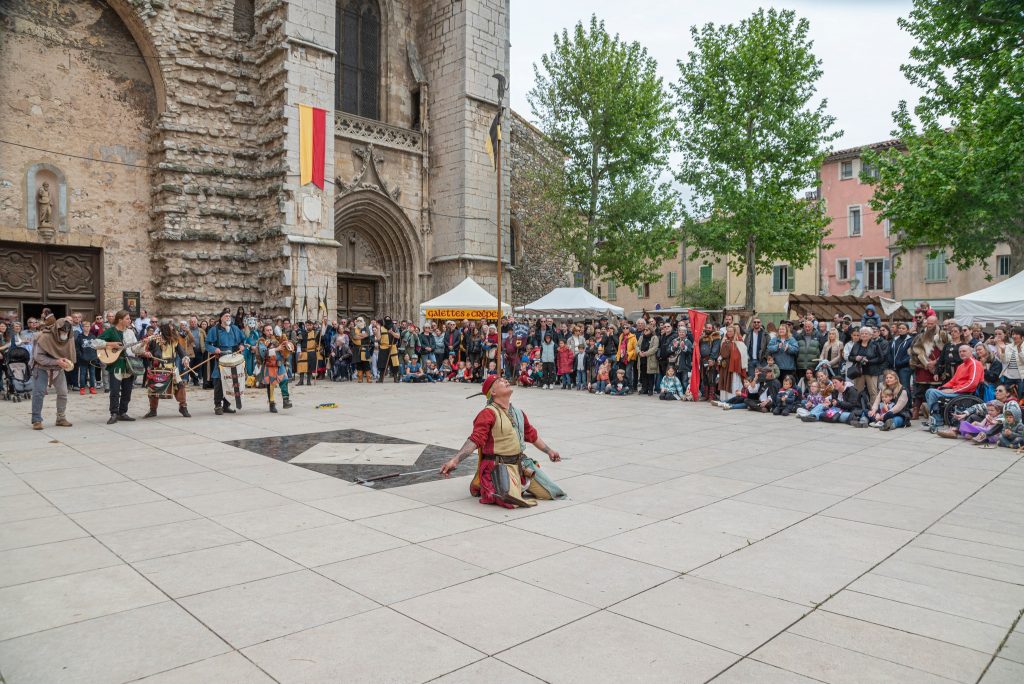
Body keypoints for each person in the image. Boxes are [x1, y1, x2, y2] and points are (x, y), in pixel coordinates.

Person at [439, 375, 565, 509]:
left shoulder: (518, 413)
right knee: (511, 500)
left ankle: (519, 484)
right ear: (493, 392)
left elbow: (532, 436)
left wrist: (549, 451)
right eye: (499, 381)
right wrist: (455, 460)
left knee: (553, 493)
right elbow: (475, 440)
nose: (505, 380)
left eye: (504, 379)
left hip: (521, 464)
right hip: (499, 467)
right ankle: (501, 486)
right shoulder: (488, 413)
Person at [95, 310, 147, 424]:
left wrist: (143, 344)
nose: (130, 320)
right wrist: (110, 344)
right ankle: (114, 413)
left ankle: (122, 413)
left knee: (127, 391)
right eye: (127, 319)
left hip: (128, 365)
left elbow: (135, 349)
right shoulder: (111, 331)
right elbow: (95, 343)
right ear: (120, 320)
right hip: (116, 364)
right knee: (114, 391)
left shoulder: (130, 332)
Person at [29, 316, 76, 429]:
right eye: (63, 331)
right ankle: (36, 419)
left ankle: (61, 418)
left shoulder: (69, 337)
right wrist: (56, 361)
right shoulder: (44, 337)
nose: (65, 334)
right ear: (57, 329)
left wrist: (67, 363)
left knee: (63, 392)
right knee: (39, 393)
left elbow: (71, 353)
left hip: (58, 369)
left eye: (67, 331)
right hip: (41, 368)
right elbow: (38, 357)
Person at [923, 344, 984, 432]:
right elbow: (953, 381)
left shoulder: (975, 364)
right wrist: (941, 388)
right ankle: (935, 417)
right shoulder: (961, 366)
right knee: (930, 391)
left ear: (971, 352)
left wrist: (954, 390)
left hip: (966, 393)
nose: (961, 353)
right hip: (958, 391)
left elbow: (972, 383)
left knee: (932, 393)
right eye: (960, 352)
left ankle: (937, 421)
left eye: (964, 351)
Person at [141, 321, 191, 418]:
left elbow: (181, 352)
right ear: (164, 329)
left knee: (180, 387)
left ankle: (183, 407)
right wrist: (147, 353)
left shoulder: (174, 340)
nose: (172, 329)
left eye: (172, 327)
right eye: (170, 327)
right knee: (153, 389)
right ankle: (153, 410)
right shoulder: (154, 339)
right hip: (157, 368)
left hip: (172, 368)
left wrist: (185, 359)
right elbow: (147, 351)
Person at [206, 309, 245, 415]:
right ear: (221, 318)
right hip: (221, 359)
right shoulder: (214, 330)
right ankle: (218, 405)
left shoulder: (235, 328)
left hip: (233, 359)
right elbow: (207, 344)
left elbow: (243, 340)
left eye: (229, 316)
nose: (228, 318)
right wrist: (214, 349)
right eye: (226, 316)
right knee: (219, 382)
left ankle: (226, 405)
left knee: (231, 383)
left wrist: (242, 345)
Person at [256, 324, 293, 412]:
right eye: (267, 330)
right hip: (269, 365)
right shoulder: (262, 341)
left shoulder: (278, 338)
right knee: (271, 386)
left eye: (270, 330)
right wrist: (277, 349)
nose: (269, 332)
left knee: (284, 380)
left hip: (280, 364)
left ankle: (286, 401)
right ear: (264, 332)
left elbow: (286, 349)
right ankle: (272, 404)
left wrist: (287, 345)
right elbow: (264, 354)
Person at [717, 324, 747, 401]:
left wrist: (733, 360)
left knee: (733, 382)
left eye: (731, 331)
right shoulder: (724, 341)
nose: (729, 333)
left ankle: (732, 399)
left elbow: (741, 355)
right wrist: (720, 359)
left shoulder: (739, 342)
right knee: (724, 381)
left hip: (733, 367)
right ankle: (724, 399)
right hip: (724, 366)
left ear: (734, 332)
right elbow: (721, 353)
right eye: (728, 331)